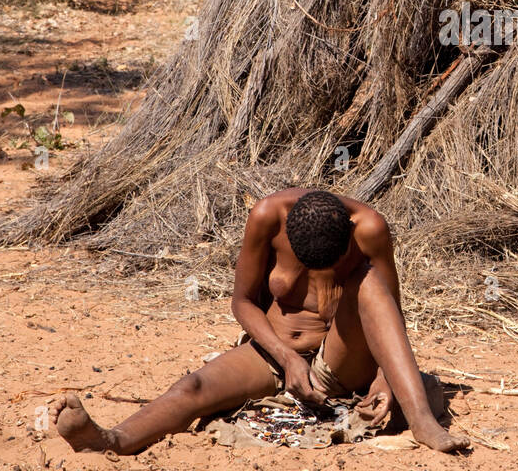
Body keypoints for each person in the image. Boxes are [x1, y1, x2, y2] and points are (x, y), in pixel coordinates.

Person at [49, 188, 469, 453]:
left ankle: (423, 423)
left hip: (340, 364)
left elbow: (389, 313)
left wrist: (384, 380)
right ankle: (110, 439)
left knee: (372, 286)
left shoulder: (371, 229)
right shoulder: (268, 216)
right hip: (275, 352)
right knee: (192, 386)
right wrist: (286, 358)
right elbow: (243, 302)